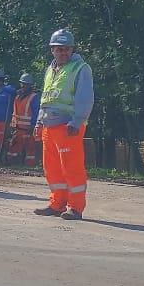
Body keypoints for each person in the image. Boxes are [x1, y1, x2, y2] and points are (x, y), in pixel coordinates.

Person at [34, 28, 94, 221]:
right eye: (59, 49)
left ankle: (75, 208)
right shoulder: (51, 69)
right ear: (52, 50)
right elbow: (46, 98)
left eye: (66, 49)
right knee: (51, 167)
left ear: (72, 49)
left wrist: (76, 121)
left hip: (68, 126)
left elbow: (85, 98)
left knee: (71, 167)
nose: (63, 52)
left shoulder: (80, 68)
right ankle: (57, 204)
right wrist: (38, 122)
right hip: (49, 126)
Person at [7, 73, 41, 166]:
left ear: (30, 85)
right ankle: (10, 162)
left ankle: (29, 164)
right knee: (14, 146)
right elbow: (7, 89)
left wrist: (33, 124)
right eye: (22, 83)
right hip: (18, 128)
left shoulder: (34, 97)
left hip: (29, 128)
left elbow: (36, 112)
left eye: (26, 84)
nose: (24, 86)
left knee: (30, 148)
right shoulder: (17, 95)